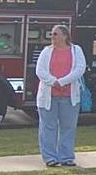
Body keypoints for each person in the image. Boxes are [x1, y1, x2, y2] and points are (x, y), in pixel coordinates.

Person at [35, 25, 86, 167]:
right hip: (48, 96)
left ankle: (66, 157)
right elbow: (40, 70)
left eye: (55, 34)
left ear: (65, 36)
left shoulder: (77, 50)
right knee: (48, 127)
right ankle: (50, 158)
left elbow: (79, 69)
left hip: (69, 96)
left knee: (68, 127)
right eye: (51, 34)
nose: (52, 37)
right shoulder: (46, 51)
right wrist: (54, 82)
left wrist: (63, 81)